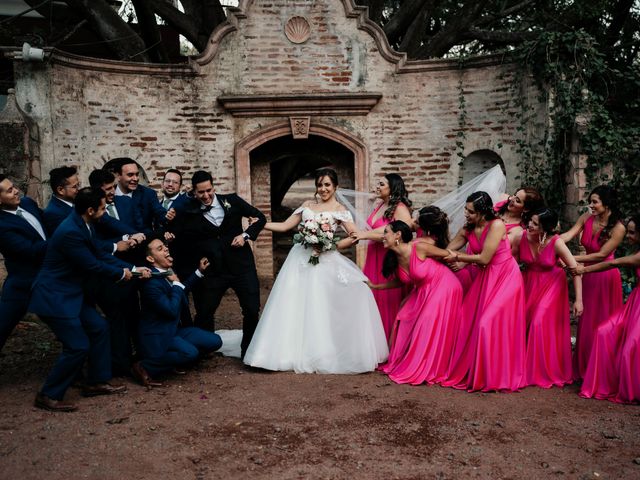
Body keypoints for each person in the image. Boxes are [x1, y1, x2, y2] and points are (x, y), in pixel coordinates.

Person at [243, 168, 388, 373]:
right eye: (320, 185)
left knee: (329, 301)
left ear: (335, 187)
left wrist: (332, 246)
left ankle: (324, 350)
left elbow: (354, 235)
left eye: (327, 185)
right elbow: (286, 226)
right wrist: (262, 224)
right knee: (293, 301)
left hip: (325, 260)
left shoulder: (340, 209)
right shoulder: (307, 205)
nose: (323, 189)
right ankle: (284, 352)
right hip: (300, 259)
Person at [29, 188, 150, 412]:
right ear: (91, 210)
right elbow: (92, 265)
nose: (105, 212)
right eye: (103, 208)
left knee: (99, 327)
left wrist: (131, 268)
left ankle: (96, 381)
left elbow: (100, 253)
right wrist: (122, 274)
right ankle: (48, 394)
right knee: (77, 346)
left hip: (71, 294)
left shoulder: (84, 223)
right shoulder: (70, 232)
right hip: (55, 297)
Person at [169, 170, 266, 358]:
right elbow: (174, 229)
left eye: (209, 190)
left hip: (241, 267)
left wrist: (246, 235)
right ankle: (203, 351)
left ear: (214, 187)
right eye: (201, 192)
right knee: (204, 311)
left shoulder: (233, 201)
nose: (206, 196)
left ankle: (249, 351)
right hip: (213, 270)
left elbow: (260, 218)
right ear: (194, 193)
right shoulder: (188, 211)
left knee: (252, 309)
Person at [441, 191, 526, 392]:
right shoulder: (468, 228)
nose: (466, 214)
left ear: (481, 212)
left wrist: (458, 258)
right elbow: (449, 250)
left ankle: (492, 376)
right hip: (486, 277)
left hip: (505, 276)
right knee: (466, 319)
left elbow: (484, 258)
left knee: (486, 323)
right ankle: (477, 371)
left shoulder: (495, 225)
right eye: (466, 209)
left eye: (470, 211)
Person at [369, 212, 462, 385]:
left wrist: (465, 262)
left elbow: (447, 253)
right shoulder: (395, 257)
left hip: (445, 284)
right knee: (402, 317)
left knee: (426, 321)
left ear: (397, 235)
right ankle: (398, 360)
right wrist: (376, 286)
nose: (383, 236)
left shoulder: (419, 246)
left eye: (386, 232)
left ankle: (423, 366)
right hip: (424, 289)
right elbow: (400, 281)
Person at [133, 236, 223, 386]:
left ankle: (174, 359)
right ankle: (144, 366)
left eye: (165, 246)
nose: (166, 249)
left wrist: (199, 272)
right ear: (150, 258)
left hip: (174, 330)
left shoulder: (167, 272)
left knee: (215, 341)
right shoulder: (151, 284)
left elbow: (180, 290)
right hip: (158, 335)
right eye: (160, 248)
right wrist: (175, 283)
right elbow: (171, 310)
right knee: (190, 353)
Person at [513, 207, 583, 388]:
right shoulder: (521, 237)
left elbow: (575, 270)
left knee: (537, 322)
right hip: (528, 283)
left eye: (536, 223)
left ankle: (538, 372)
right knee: (524, 323)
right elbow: (508, 260)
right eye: (530, 220)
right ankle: (523, 366)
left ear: (546, 227)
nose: (530, 224)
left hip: (552, 285)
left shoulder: (557, 243)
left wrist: (579, 300)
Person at [561, 185, 625, 379]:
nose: (591, 205)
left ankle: (602, 371)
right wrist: (554, 243)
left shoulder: (618, 227)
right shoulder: (586, 218)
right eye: (591, 201)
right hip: (588, 276)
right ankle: (584, 369)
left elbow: (603, 254)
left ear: (607, 203)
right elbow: (568, 235)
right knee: (586, 322)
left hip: (605, 275)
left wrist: (570, 258)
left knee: (602, 323)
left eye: (595, 202)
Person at [576, 216, 640, 404]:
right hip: (635, 302)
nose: (627, 235)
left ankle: (633, 391)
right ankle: (605, 380)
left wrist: (583, 270)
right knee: (604, 332)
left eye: (632, 232)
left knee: (632, 346)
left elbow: (613, 263)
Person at [350, 174, 412, 341]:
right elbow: (375, 227)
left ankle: (388, 342)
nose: (377, 186)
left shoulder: (400, 208)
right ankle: (374, 343)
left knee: (387, 298)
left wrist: (363, 235)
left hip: (388, 257)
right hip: (373, 255)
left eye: (382, 184)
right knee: (373, 297)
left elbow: (405, 231)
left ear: (392, 188)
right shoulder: (381, 205)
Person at [0, 175, 47, 352]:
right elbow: (30, 250)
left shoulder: (27, 203)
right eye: (10, 190)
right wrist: (63, 240)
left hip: (48, 279)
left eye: (14, 186)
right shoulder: (2, 225)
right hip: (23, 283)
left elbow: (46, 225)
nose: (16, 191)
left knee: (67, 324)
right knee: (3, 327)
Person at [111, 157, 170, 235]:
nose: (135, 178)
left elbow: (159, 212)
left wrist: (168, 216)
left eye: (137, 174)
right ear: (118, 176)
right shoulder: (109, 195)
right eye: (130, 175)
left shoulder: (148, 194)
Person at [494, 187, 544, 252]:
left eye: (517, 201)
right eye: (514, 195)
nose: (511, 198)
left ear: (526, 209)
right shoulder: (503, 201)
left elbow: (497, 246)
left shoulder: (517, 230)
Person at [43, 166, 81, 235]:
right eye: (74, 186)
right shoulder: (54, 214)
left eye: (78, 185)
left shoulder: (75, 200)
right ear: (60, 190)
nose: (78, 189)